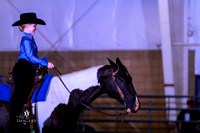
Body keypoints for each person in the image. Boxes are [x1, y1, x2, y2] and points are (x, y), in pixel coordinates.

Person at [9, 12, 54, 132]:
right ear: (27, 26)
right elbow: (30, 56)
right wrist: (45, 63)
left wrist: (40, 64)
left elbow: (33, 57)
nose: (36, 27)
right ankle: (15, 115)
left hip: (29, 66)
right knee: (22, 88)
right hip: (23, 67)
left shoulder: (30, 39)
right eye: (34, 25)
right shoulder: (26, 40)